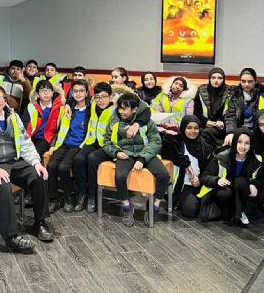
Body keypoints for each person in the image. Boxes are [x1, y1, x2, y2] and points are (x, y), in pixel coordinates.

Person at [0, 85, 52, 249]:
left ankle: (40, 222)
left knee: (38, 177)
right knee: (3, 186)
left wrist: (36, 162)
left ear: (5, 101)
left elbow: (26, 142)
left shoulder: (14, 117)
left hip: (13, 161)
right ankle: (11, 237)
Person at [102, 93, 169, 227]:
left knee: (164, 175)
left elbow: (156, 142)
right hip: (125, 154)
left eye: (124, 108)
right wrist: (116, 152)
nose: (121, 111)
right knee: (120, 176)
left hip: (145, 154)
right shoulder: (114, 122)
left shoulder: (146, 122)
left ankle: (154, 206)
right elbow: (106, 142)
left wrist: (142, 159)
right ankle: (127, 207)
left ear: (134, 109)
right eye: (119, 108)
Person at [71, 82, 119, 213]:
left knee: (92, 159)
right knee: (78, 159)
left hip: (108, 145)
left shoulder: (116, 110)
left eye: (104, 96)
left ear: (110, 97)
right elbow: (72, 100)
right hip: (92, 141)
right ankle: (82, 195)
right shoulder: (92, 106)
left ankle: (92, 196)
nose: (101, 100)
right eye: (97, 97)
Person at [199, 128, 262, 226]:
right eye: (239, 142)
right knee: (224, 193)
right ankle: (231, 213)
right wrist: (217, 180)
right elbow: (204, 177)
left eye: (247, 143)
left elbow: (260, 177)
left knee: (240, 181)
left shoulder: (256, 159)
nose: (243, 146)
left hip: (243, 191)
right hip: (226, 191)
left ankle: (240, 213)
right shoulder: (222, 157)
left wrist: (255, 185)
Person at [46, 79, 90, 212]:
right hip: (64, 143)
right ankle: (53, 198)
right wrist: (53, 144)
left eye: (81, 91)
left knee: (64, 168)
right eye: (75, 91)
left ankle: (69, 196)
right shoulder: (69, 108)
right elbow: (60, 129)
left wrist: (68, 103)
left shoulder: (91, 109)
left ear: (87, 93)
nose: (78, 94)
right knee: (51, 166)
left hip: (78, 145)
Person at [165, 115, 214, 219]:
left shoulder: (205, 145)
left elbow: (209, 169)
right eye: (189, 128)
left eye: (196, 128)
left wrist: (200, 180)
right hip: (184, 185)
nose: (193, 131)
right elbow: (166, 150)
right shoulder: (177, 142)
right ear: (183, 128)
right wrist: (184, 162)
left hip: (202, 184)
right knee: (190, 211)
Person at [223, 68, 264, 145]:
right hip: (239, 130)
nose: (246, 84)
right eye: (243, 81)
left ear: (255, 81)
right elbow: (231, 116)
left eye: (250, 81)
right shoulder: (235, 95)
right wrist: (231, 132)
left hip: (258, 131)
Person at [20, 79, 65, 157]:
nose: (46, 93)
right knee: (21, 152)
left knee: (34, 154)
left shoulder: (60, 107)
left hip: (48, 138)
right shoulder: (31, 107)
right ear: (37, 94)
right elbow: (25, 123)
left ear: (52, 93)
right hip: (32, 136)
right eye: (42, 90)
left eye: (48, 90)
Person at [193, 67, 231, 147]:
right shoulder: (201, 90)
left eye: (219, 78)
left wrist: (222, 122)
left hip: (223, 126)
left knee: (207, 133)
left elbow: (232, 112)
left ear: (223, 79)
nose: (216, 80)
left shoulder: (230, 91)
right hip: (205, 125)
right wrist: (206, 121)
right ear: (209, 79)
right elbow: (196, 112)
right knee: (204, 132)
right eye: (213, 78)